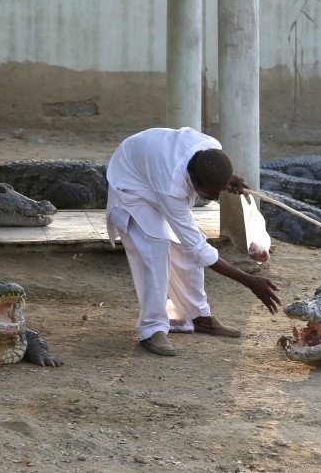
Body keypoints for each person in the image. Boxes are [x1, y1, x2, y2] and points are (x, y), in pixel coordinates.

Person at [105, 127, 281, 356]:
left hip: (152, 165)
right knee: (156, 246)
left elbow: (194, 244)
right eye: (210, 193)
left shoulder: (211, 148)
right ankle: (152, 328)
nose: (218, 198)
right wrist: (249, 281)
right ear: (193, 179)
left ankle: (197, 315)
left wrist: (226, 180)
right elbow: (198, 250)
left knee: (185, 244)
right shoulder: (171, 186)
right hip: (131, 182)